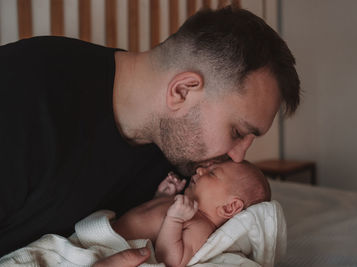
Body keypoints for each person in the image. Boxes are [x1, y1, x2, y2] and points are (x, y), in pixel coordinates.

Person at [0, 5, 300, 264]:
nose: (238, 156)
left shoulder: (180, 164)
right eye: (237, 131)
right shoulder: (22, 92)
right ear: (182, 91)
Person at [0, 161, 271, 267]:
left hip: (102, 252)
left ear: (230, 207)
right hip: (92, 238)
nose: (199, 171)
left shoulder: (201, 225)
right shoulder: (186, 206)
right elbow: (150, 220)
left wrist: (175, 219)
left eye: (212, 173)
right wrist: (161, 198)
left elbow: (171, 258)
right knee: (37, 254)